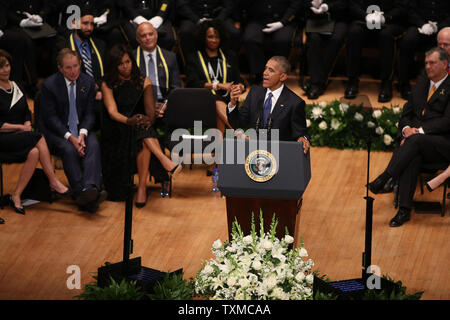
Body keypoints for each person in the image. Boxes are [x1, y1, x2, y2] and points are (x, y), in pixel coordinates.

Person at [368, 47, 450, 227]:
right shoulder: (421, 84)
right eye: (426, 63)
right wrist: (406, 129)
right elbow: (407, 113)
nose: (427, 67)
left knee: (414, 142)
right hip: (417, 143)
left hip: (443, 145)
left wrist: (418, 131)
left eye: (432, 63)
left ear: (445, 64)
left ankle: (386, 177)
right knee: (412, 155)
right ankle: (404, 210)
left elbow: (447, 122)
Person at [101, 44, 182, 207]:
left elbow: (151, 113)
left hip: (140, 125)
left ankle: (142, 189)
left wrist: (146, 120)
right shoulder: (107, 83)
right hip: (118, 126)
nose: (125, 67)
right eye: (120, 64)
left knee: (143, 131)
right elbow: (112, 112)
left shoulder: (144, 80)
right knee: (143, 132)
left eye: (128, 62)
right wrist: (128, 120)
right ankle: (163, 160)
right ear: (114, 66)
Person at [0, 49, 69, 215]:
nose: (5, 70)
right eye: (1, 67)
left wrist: (27, 122)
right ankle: (52, 181)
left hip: (21, 135)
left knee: (34, 151)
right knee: (38, 137)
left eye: (7, 65)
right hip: (3, 137)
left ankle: (16, 195)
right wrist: (20, 128)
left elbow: (25, 111)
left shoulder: (17, 86)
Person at [39, 48, 107, 213]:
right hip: (57, 132)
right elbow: (50, 119)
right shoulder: (49, 85)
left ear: (80, 64)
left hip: (81, 129)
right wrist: (71, 137)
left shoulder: (88, 82)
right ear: (60, 68)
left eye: (75, 66)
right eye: (68, 67)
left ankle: (90, 188)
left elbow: (90, 114)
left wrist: (82, 134)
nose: (73, 71)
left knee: (93, 144)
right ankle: (82, 193)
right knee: (69, 149)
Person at [227, 56, 310, 154]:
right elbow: (238, 123)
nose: (265, 73)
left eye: (271, 70)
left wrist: (303, 138)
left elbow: (300, 132)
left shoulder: (295, 102)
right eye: (265, 68)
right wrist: (232, 103)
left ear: (283, 76)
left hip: (280, 155)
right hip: (253, 154)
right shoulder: (254, 93)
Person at [185, 20, 244, 137]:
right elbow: (192, 83)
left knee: (219, 106)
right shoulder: (194, 57)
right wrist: (218, 85)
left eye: (217, 37)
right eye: (210, 37)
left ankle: (217, 151)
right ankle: (238, 132)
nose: (214, 40)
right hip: (203, 101)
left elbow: (239, 79)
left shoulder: (229, 56)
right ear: (203, 38)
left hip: (228, 100)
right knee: (216, 102)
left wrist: (240, 87)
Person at [344, 0, 407, 103]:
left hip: (389, 22)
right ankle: (352, 80)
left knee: (386, 35)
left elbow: (402, 7)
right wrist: (365, 16)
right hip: (364, 20)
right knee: (354, 32)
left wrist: (385, 17)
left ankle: (386, 83)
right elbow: (353, 4)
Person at [397, 0, 450, 100]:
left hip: (442, 27)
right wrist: (422, 24)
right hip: (419, 26)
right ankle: (403, 84)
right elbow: (410, 10)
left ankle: (440, 86)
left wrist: (438, 27)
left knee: (446, 42)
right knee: (407, 40)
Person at [239, 0, 301, 85]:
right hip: (258, 20)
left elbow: (295, 5)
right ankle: (259, 76)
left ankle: (278, 76)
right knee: (250, 39)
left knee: (283, 41)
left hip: (283, 20)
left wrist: (283, 22)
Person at [303, 0, 348, 99]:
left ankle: (318, 81)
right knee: (314, 39)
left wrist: (328, 6)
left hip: (339, 18)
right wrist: (311, 4)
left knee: (335, 40)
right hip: (316, 19)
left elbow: (346, 4)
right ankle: (316, 82)